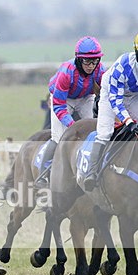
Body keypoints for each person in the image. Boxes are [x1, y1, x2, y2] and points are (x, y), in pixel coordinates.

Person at [82, 28, 138, 191]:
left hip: (137, 96)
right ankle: (91, 172)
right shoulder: (123, 65)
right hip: (111, 95)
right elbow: (116, 100)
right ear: (137, 53)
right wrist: (128, 122)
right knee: (104, 133)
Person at [35, 36, 105, 188]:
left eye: (95, 61)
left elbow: (106, 93)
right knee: (60, 137)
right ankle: (43, 174)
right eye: (87, 61)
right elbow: (59, 106)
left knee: (93, 132)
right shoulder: (66, 72)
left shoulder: (100, 70)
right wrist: (72, 125)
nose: (91, 65)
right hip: (63, 99)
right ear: (79, 59)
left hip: (85, 97)